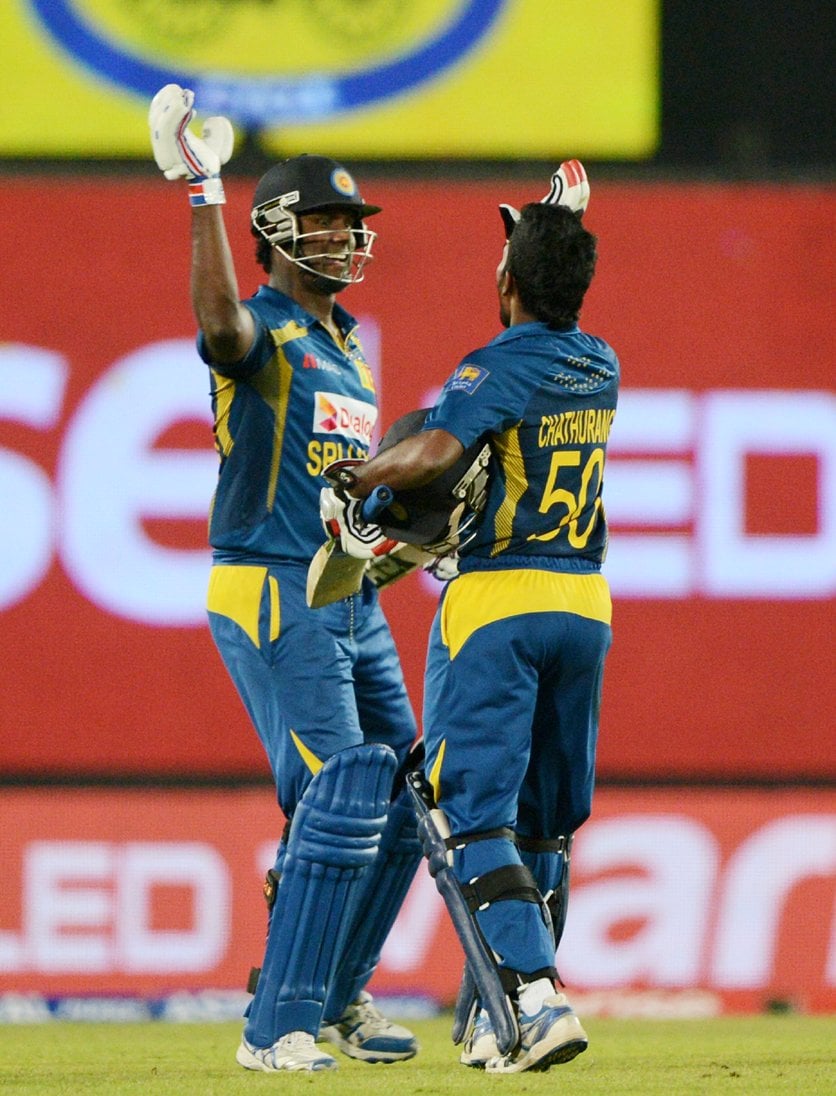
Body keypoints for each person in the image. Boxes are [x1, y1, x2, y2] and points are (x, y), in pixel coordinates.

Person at [320, 165, 618, 1074]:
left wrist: (359, 477)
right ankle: (500, 1015)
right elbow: (548, 286)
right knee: (545, 826)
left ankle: (534, 999)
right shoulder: (600, 360)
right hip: (585, 605)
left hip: (498, 605)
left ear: (507, 284)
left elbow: (443, 450)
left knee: (468, 816)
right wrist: (553, 227)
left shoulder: (497, 365)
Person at [148, 84, 421, 1073]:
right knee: (343, 785)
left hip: (344, 592)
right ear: (274, 231)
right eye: (328, 222)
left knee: (406, 787)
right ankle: (278, 1028)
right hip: (273, 584)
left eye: (355, 225)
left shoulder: (348, 348)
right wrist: (199, 195)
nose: (349, 239)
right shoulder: (259, 329)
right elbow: (219, 327)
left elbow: (340, 497)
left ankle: (339, 994)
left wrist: (403, 538)